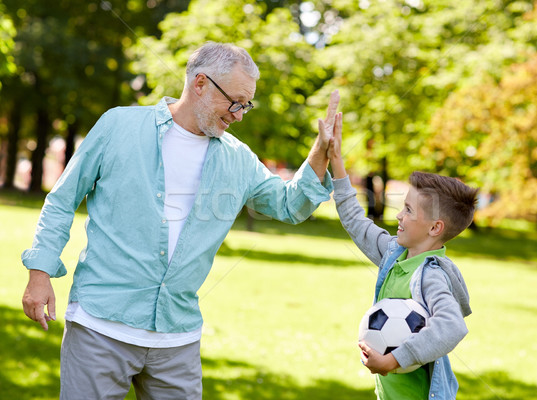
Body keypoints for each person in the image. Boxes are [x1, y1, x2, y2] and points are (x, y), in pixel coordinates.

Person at [21, 42, 340, 399]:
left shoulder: (238, 158)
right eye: (234, 101)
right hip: (100, 326)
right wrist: (40, 272)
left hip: (177, 339)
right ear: (200, 83)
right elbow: (63, 200)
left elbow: (288, 205)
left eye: (246, 105)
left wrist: (320, 153)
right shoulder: (118, 125)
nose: (239, 114)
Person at [325, 112, 477, 399]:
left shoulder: (431, 276)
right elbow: (357, 223)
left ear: (435, 227)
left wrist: (393, 361)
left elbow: (452, 325)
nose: (399, 215)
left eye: (408, 210)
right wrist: (337, 162)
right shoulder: (395, 254)